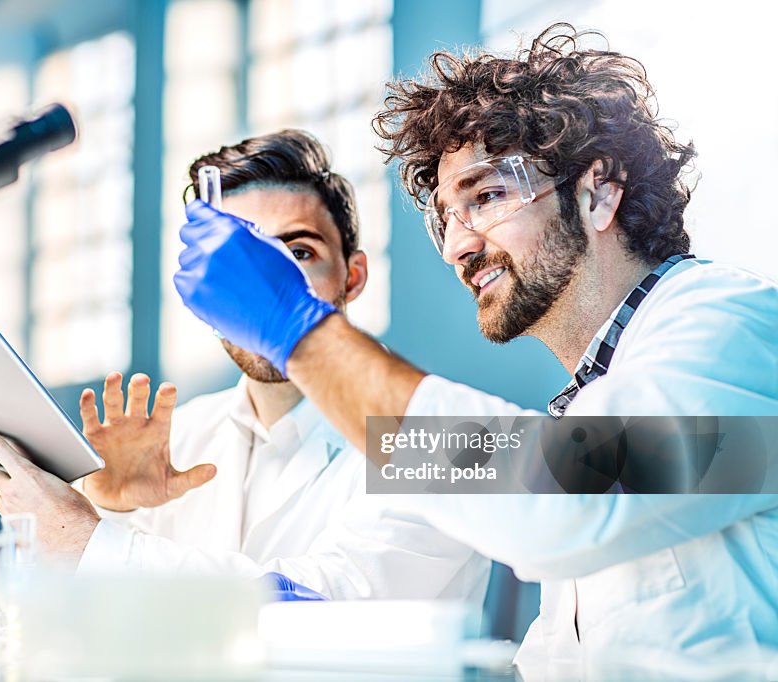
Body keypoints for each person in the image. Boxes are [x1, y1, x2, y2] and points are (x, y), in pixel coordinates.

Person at [171, 24, 778, 676]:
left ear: (598, 191)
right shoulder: (598, 398)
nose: (460, 246)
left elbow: (555, 501)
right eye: (446, 218)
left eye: (486, 196)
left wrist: (295, 328)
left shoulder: (731, 330)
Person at [0, 130, 489, 604]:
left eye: (299, 253)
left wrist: (86, 540)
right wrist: (110, 507)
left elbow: (322, 606)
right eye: (242, 262)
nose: (262, 287)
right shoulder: (182, 435)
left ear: (352, 277)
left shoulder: (449, 439)